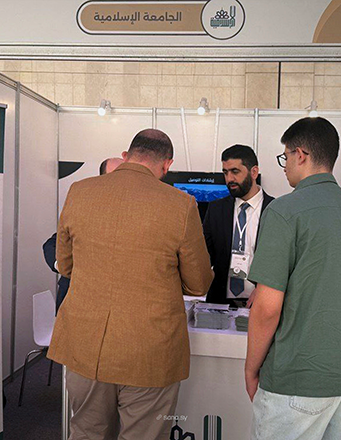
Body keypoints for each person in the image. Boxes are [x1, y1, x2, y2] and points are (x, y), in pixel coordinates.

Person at [48, 129, 213, 440]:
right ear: (167, 164)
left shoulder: (79, 191)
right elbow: (198, 283)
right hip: (148, 351)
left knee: (86, 432)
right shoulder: (181, 204)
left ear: (127, 155)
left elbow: (66, 266)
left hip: (85, 345)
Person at [245, 117, 341, 440]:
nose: (285, 166)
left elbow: (267, 308)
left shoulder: (283, 212)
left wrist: (251, 369)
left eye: (285, 157)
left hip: (298, 377)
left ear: (300, 155)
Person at [42, 157, 123, 312]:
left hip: (118, 304)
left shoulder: (141, 212)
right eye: (115, 175)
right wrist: (62, 266)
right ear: (102, 179)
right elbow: (52, 244)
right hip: (74, 298)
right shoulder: (84, 206)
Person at [202, 145, 274, 307]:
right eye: (225, 172)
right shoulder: (216, 209)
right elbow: (205, 256)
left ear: (254, 172)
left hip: (261, 303)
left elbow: (282, 264)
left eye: (235, 172)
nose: (229, 179)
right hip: (219, 304)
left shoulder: (276, 210)